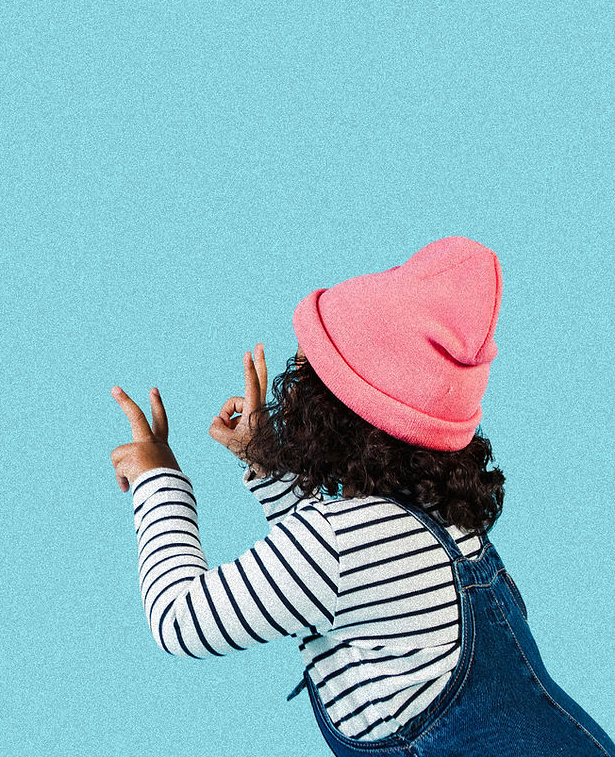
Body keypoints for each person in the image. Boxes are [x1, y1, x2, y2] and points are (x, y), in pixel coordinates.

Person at [110, 237, 613, 756]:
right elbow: (343, 591)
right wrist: (269, 464)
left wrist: (158, 477)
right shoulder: (435, 520)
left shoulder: (339, 543)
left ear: (339, 411)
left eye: (310, 370)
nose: (295, 375)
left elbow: (180, 619)